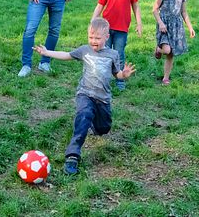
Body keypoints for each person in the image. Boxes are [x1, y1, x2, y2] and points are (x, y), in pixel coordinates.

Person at [33, 18, 135, 175]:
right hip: (85, 93)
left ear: (107, 37)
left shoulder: (113, 54)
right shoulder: (84, 50)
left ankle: (94, 124)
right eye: (91, 37)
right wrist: (47, 53)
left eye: (98, 38)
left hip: (103, 98)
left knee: (103, 128)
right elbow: (66, 55)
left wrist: (124, 75)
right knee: (84, 114)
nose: (93, 41)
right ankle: (73, 155)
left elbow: (117, 74)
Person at [90, 0, 142, 91]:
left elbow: (136, 7)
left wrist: (139, 23)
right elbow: (100, 6)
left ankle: (120, 79)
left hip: (121, 28)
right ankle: (103, 78)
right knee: (104, 53)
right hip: (105, 28)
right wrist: (93, 21)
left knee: (119, 54)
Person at [152, 0, 195, 85]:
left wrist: (190, 27)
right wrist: (160, 23)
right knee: (166, 50)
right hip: (164, 25)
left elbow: (184, 12)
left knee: (171, 54)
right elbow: (155, 10)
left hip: (177, 26)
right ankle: (158, 49)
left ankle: (166, 77)